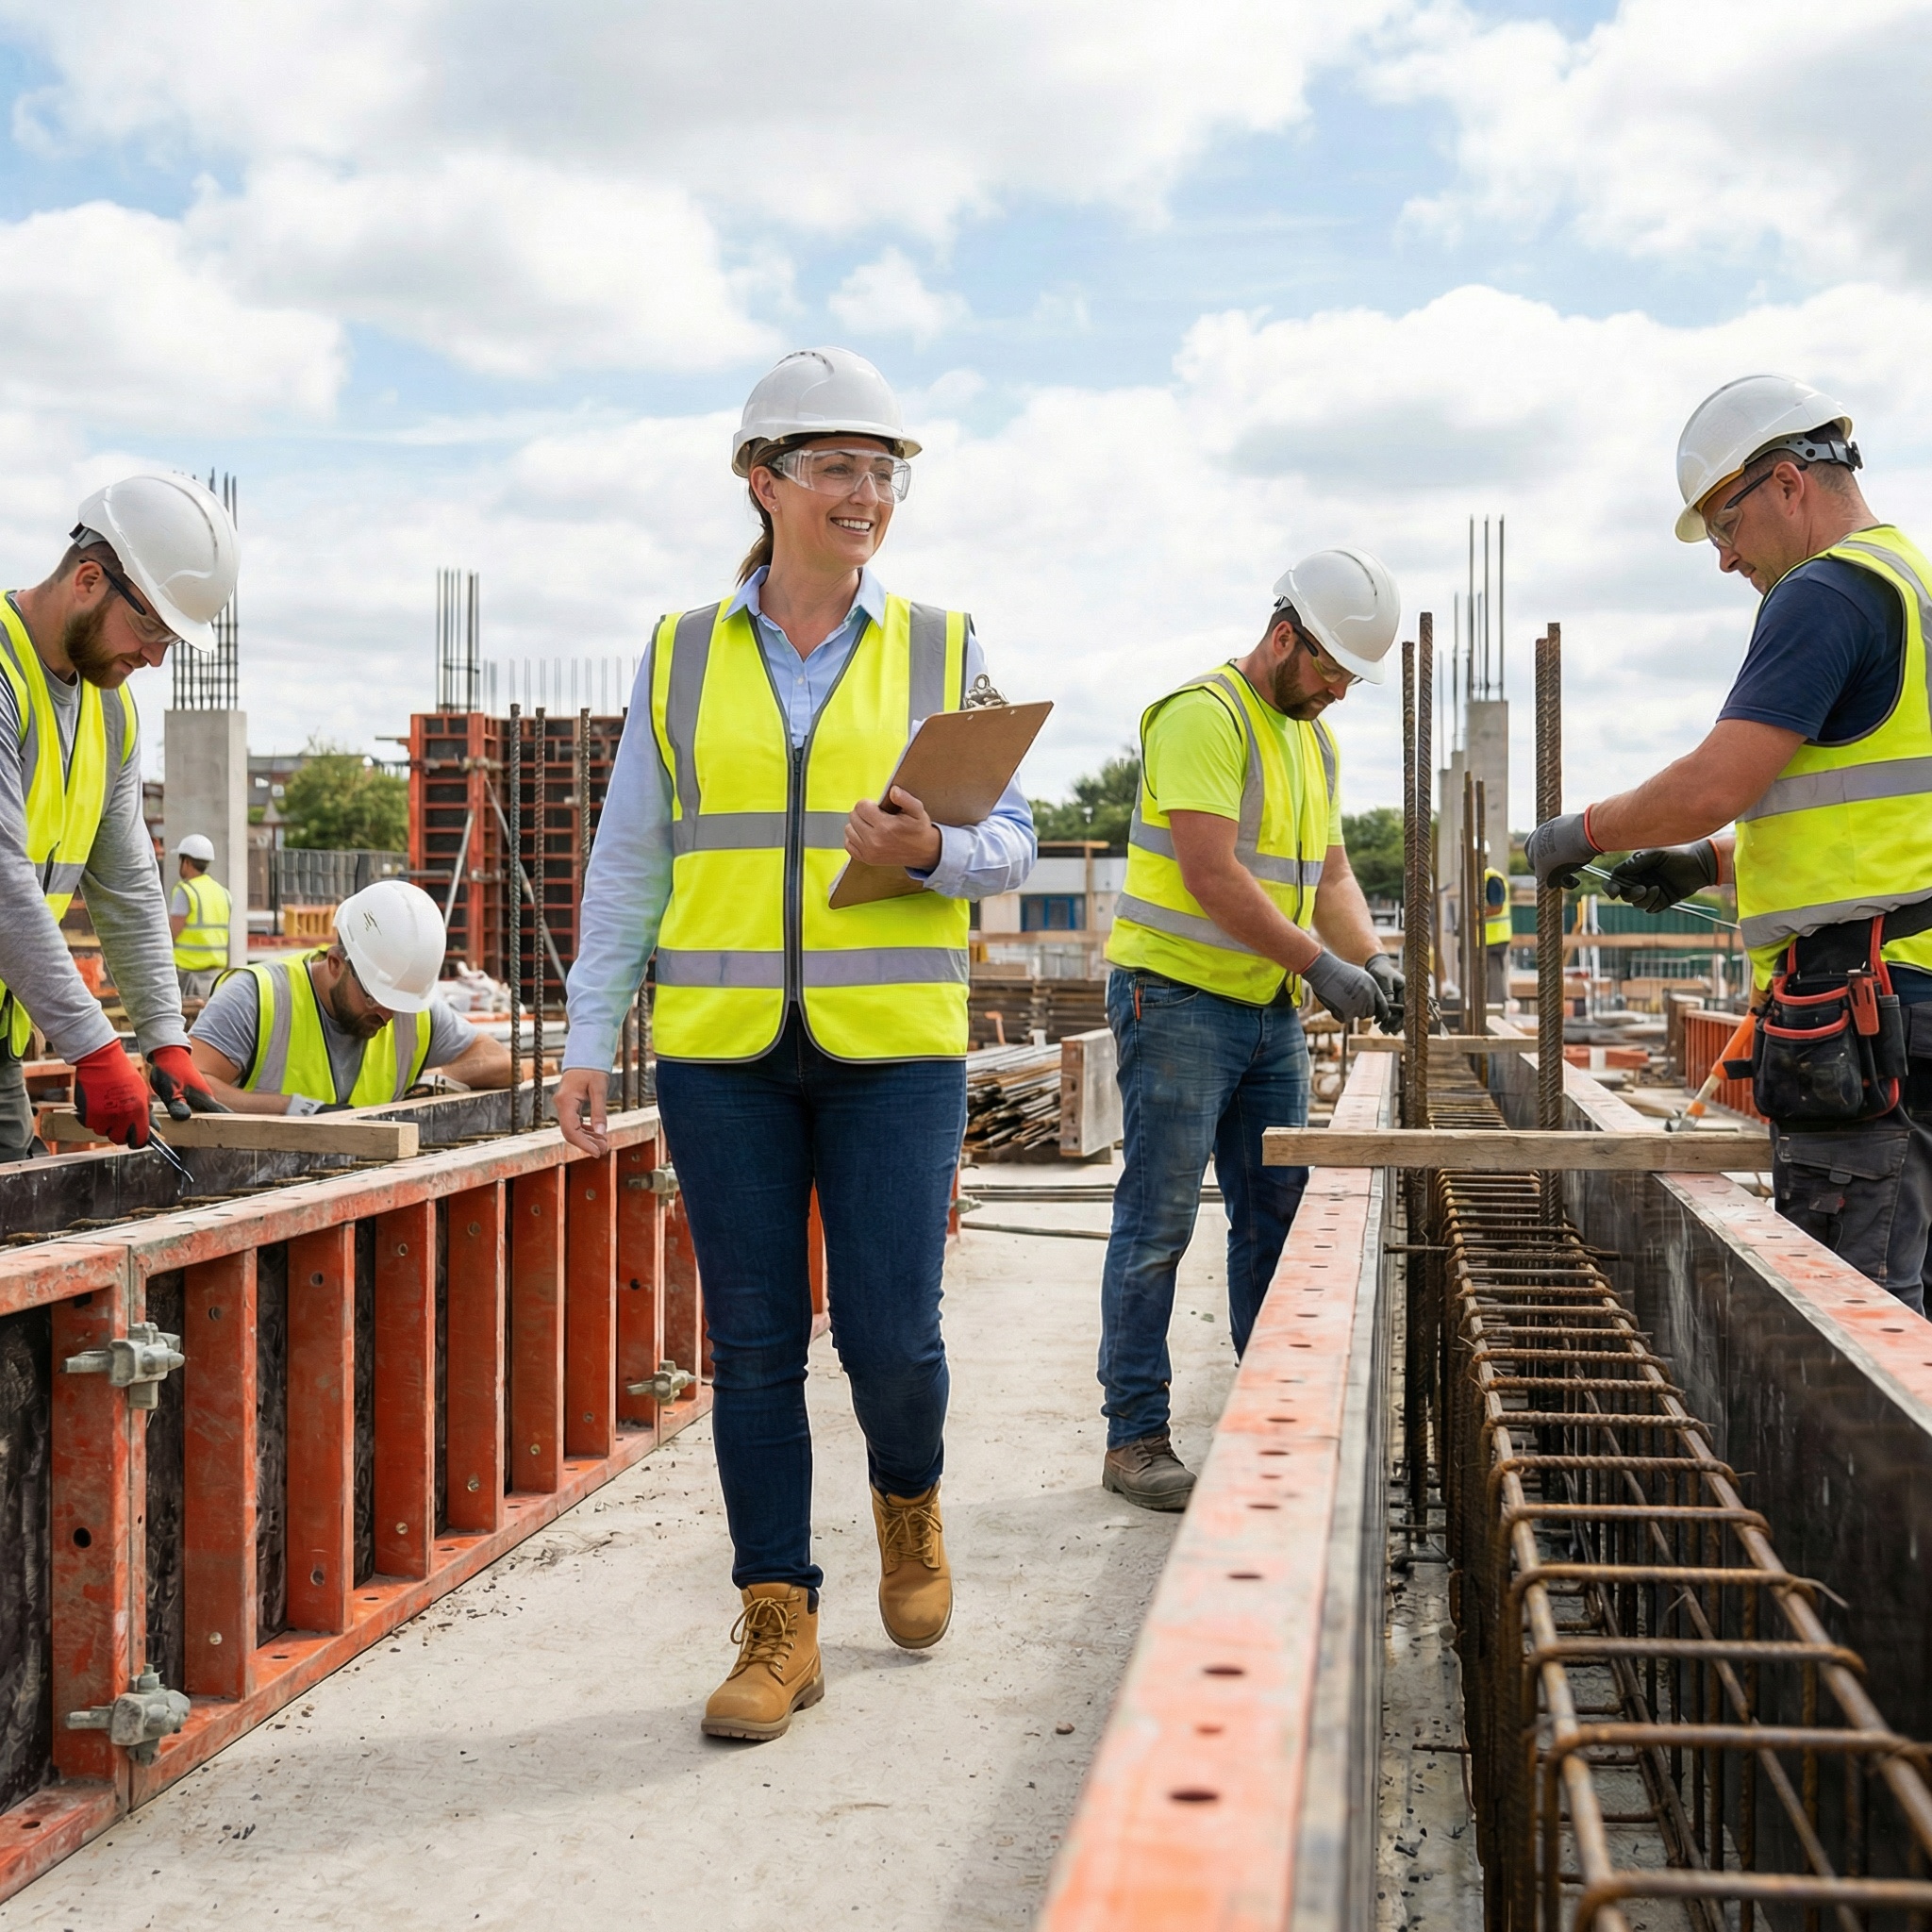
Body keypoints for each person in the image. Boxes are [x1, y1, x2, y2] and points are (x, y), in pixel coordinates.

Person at [553, 346, 1036, 1743]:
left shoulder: (943, 644)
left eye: (884, 471)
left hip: (894, 1049)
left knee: (891, 1337)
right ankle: (779, 1622)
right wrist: (596, 1031)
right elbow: (630, 855)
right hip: (723, 1054)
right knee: (754, 1347)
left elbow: (1009, 840)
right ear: (761, 482)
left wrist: (937, 846)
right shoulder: (681, 651)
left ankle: (910, 1504)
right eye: (836, 466)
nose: (866, 493)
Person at [1525, 374, 1932, 1315]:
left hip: (1867, 1010)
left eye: (1723, 523)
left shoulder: (1823, 592)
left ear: (1786, 481)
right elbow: (1882, 824)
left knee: (1856, 1319)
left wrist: (1574, 833)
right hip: (1914, 992)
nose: (1721, 558)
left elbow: (1714, 782)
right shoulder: (1910, 583)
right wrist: (1708, 861)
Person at [1097, 549, 1406, 1509]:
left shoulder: (1310, 739)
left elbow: (1331, 874)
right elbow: (1210, 874)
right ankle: (1133, 1435)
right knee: (1157, 1220)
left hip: (1263, 1010)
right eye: (1328, 670)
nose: (1336, 692)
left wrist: (1374, 954)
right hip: (1178, 1000)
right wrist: (1322, 965)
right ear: (1283, 636)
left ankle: (1270, 1408)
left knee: (1275, 1208)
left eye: (1350, 678)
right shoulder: (1204, 714)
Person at [0, 475, 236, 1160]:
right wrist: (95, 1048)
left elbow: (129, 883)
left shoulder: (110, 710)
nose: (156, 656)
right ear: (89, 579)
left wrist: (165, 1037)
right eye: (148, 626)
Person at [189, 878, 509, 1111]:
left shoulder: (410, 1009)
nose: (388, 1014)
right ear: (336, 963)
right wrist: (297, 1109)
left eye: (398, 1003)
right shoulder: (257, 997)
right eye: (374, 997)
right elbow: (187, 1085)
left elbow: (503, 1062)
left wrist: (438, 1079)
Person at [170, 833, 231, 1001]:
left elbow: (172, 932)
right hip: (216, 974)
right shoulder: (222, 892)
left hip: (189, 974)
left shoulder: (185, 891)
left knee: (188, 1023)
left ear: (187, 861)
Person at [1484, 864, 1513, 1009]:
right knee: (1490, 981)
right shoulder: (1483, 878)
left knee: (1495, 983)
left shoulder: (1492, 879)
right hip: (1488, 938)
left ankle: (1496, 1010)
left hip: (1495, 939)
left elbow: (1497, 907)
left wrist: (1475, 915)